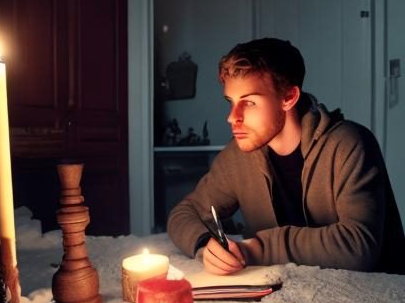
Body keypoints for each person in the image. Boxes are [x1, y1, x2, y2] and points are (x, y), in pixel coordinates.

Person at [168, 37, 405, 274]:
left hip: (371, 297)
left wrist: (257, 249)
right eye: (231, 102)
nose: (232, 117)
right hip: (289, 294)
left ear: (288, 98)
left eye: (249, 103)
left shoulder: (349, 144)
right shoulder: (238, 155)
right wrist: (204, 245)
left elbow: (359, 247)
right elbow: (183, 213)